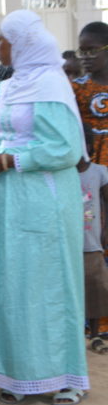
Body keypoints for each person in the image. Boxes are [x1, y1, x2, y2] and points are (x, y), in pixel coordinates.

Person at [0, 10, 89, 405]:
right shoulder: (5, 87)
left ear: (23, 44)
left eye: (3, 39)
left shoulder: (52, 85)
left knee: (48, 284)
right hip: (7, 201)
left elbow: (67, 149)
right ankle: (17, 373)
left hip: (44, 199)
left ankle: (64, 375)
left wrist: (10, 161)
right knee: (11, 282)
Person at [77, 128, 108, 353]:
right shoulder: (63, 173)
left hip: (92, 241)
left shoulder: (100, 172)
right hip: (67, 243)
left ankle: (95, 335)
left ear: (89, 147)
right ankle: (76, 331)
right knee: (71, 289)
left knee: (95, 287)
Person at [73, 22, 108, 165]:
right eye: (82, 51)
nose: (85, 57)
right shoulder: (76, 87)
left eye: (92, 51)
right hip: (90, 166)